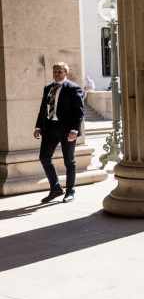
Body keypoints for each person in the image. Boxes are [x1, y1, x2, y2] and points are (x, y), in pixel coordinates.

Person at [34, 62, 84, 203]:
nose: (56, 74)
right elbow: (43, 108)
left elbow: (79, 112)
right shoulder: (48, 88)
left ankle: (70, 191)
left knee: (69, 160)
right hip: (50, 128)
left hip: (67, 130)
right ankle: (56, 188)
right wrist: (38, 127)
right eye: (55, 71)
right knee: (44, 157)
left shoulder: (73, 88)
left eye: (60, 72)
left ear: (66, 73)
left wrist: (74, 130)